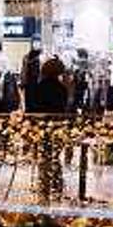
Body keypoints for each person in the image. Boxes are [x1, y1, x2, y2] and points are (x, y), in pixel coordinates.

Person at [31, 57, 70, 201]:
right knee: (54, 157)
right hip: (58, 127)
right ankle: (56, 186)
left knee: (44, 157)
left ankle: (45, 185)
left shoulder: (40, 86)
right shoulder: (62, 88)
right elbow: (63, 108)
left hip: (41, 127)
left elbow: (34, 107)